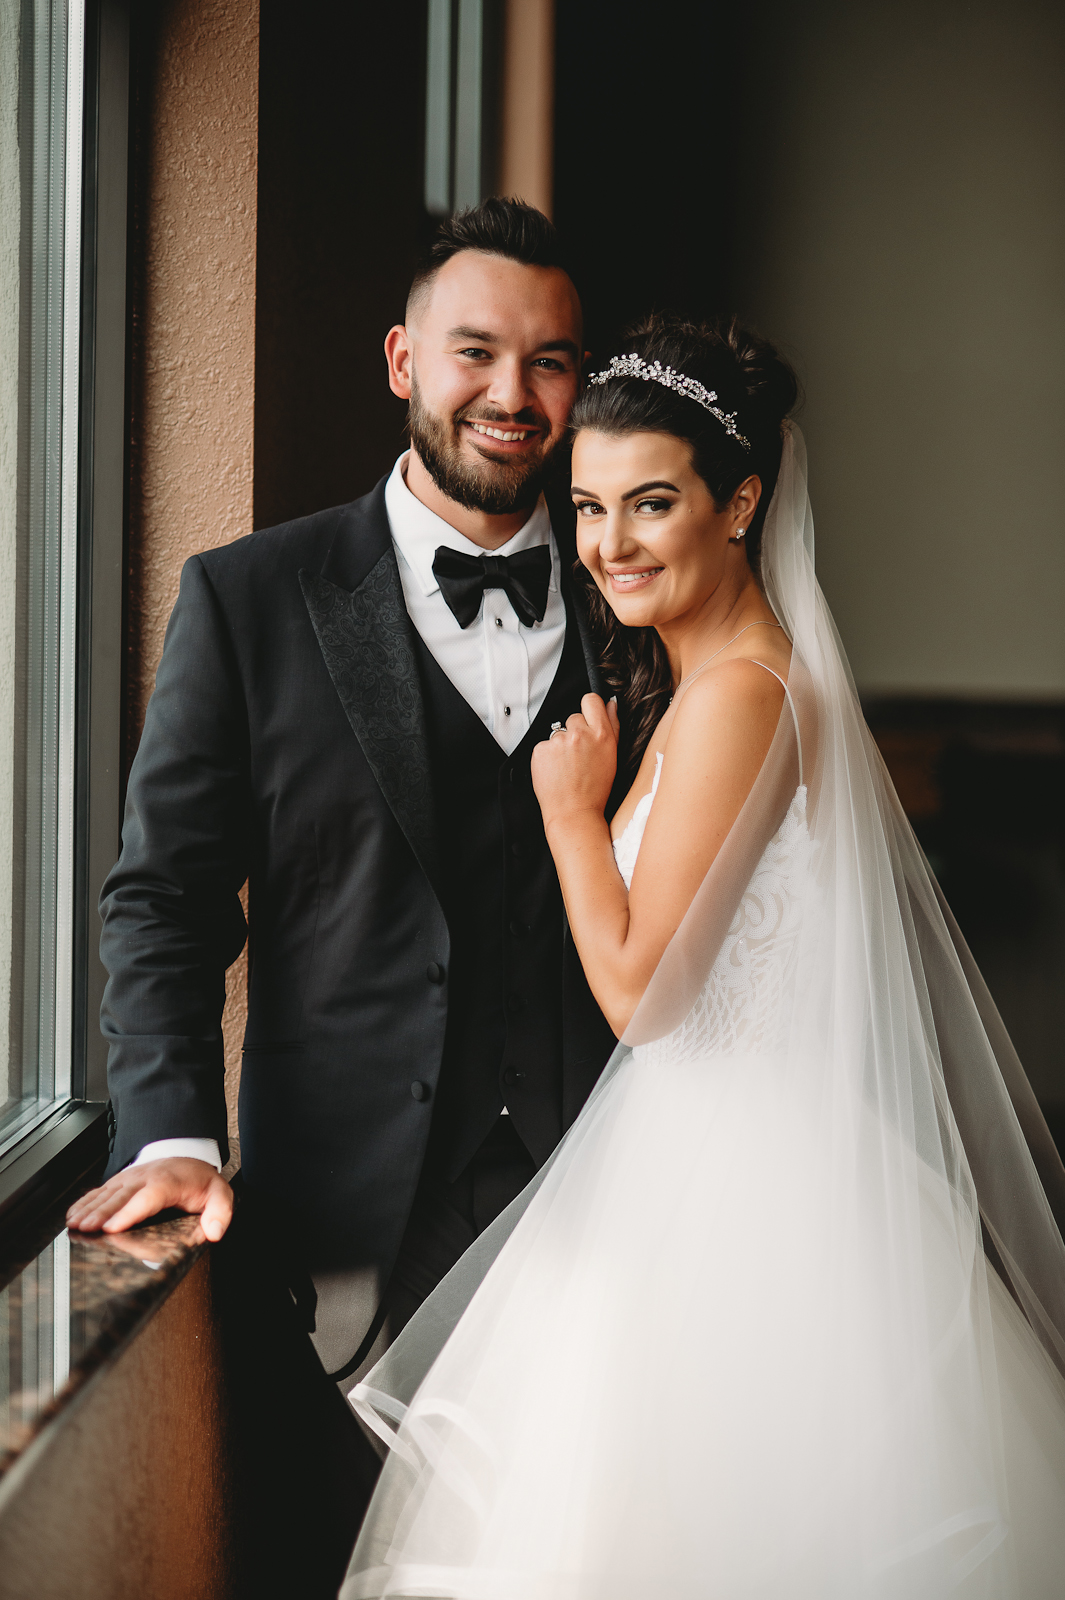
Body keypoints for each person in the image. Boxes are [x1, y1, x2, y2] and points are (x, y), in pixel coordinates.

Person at [341, 315, 1065, 1599]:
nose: (609, 544)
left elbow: (645, 996)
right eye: (588, 506)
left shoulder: (740, 694)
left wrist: (572, 817)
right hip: (715, 1163)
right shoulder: (722, 679)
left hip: (735, 1193)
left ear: (739, 502)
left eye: (652, 503)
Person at [64, 198, 616, 1597]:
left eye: (550, 361)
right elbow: (164, 899)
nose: (511, 392)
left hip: (608, 1209)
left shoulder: (642, 606)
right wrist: (173, 1129)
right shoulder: (250, 600)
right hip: (344, 1239)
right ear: (401, 360)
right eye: (474, 351)